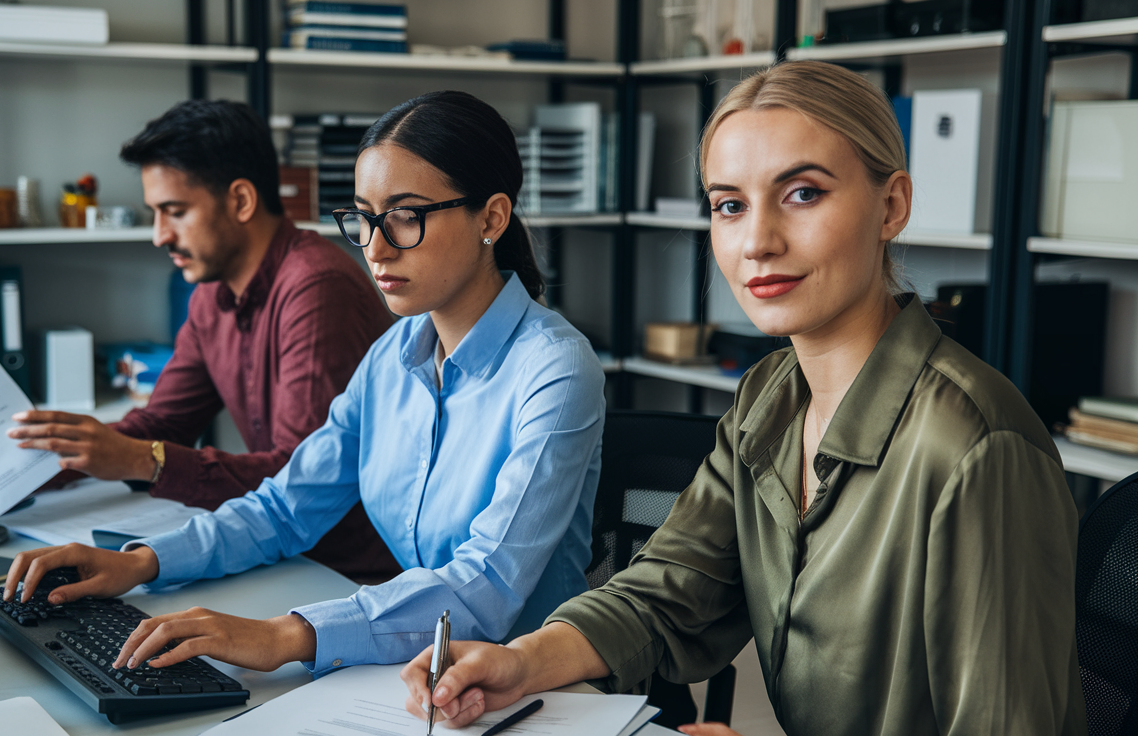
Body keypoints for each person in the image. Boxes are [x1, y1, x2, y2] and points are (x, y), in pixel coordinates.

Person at [401, 61, 1087, 736]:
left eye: (803, 193)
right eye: (729, 205)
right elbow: (670, 591)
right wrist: (519, 663)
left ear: (892, 206)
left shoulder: (975, 449)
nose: (756, 241)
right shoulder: (771, 395)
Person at [1, 90, 606, 680]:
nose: (374, 246)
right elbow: (285, 507)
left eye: (404, 216)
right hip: (414, 668)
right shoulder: (392, 356)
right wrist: (142, 562)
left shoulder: (555, 369)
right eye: (363, 219)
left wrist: (285, 634)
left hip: (532, 689)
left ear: (492, 218)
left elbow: (488, 587)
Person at [6, 100, 400, 583]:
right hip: (276, 553)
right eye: (155, 213)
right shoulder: (212, 294)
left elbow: (299, 482)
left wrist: (136, 458)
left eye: (175, 212)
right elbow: (164, 422)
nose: (158, 236)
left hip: (341, 572)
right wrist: (29, 469)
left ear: (240, 201)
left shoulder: (316, 286)